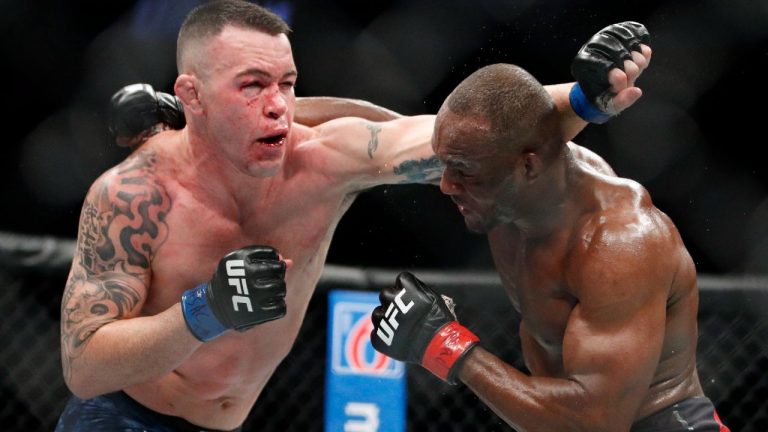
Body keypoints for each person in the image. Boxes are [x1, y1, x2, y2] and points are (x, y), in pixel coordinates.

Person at [57, 0, 650, 430]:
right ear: (191, 96)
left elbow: (454, 136)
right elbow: (84, 367)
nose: (277, 106)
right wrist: (205, 311)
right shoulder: (136, 195)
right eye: (252, 85)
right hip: (119, 417)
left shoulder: (323, 159)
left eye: (287, 84)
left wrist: (583, 97)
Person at [369, 64, 730, 430]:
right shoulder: (502, 186)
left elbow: (596, 423)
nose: (446, 184)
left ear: (528, 166)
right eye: (445, 164)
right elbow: (373, 137)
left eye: (462, 169)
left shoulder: (619, 244)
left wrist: (446, 345)